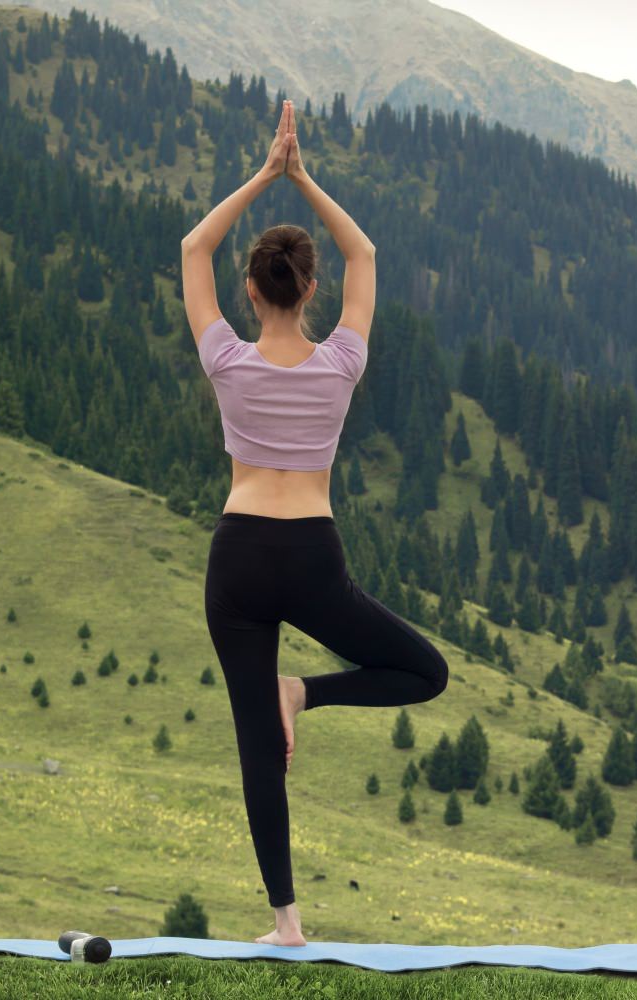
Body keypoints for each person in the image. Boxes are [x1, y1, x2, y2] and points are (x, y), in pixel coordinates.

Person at [181, 99, 449, 946]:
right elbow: (364, 250)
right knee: (424, 671)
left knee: (255, 736)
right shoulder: (340, 363)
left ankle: (286, 920)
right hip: (311, 556)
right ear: (312, 291)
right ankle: (310, 692)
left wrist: (264, 174)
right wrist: (303, 176)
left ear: (253, 292)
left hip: (238, 557)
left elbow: (195, 246)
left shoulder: (225, 355)